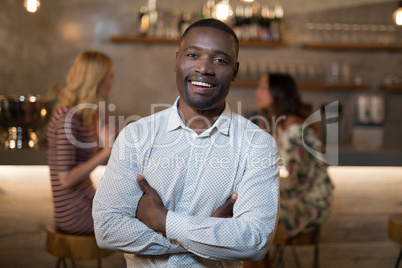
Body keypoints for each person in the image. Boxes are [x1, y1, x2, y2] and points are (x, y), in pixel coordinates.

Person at [93, 18, 280, 268]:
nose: (204, 68)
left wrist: (162, 221)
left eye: (219, 60)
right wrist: (209, 238)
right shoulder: (136, 136)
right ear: (177, 60)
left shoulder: (257, 145)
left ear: (234, 71)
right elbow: (107, 229)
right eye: (193, 54)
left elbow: (255, 241)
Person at [245, 73, 334, 267]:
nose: (256, 92)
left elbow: (294, 180)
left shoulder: (294, 131)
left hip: (308, 200)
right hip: (296, 194)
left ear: (278, 93)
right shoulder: (282, 125)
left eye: (263, 87)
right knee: (245, 209)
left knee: (246, 216)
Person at [47, 51, 115, 235]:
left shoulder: (86, 114)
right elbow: (66, 179)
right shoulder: (67, 118)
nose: (112, 81)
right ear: (96, 79)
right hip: (74, 214)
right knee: (140, 223)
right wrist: (105, 152)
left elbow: (113, 138)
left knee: (141, 210)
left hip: (88, 202)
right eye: (110, 76)